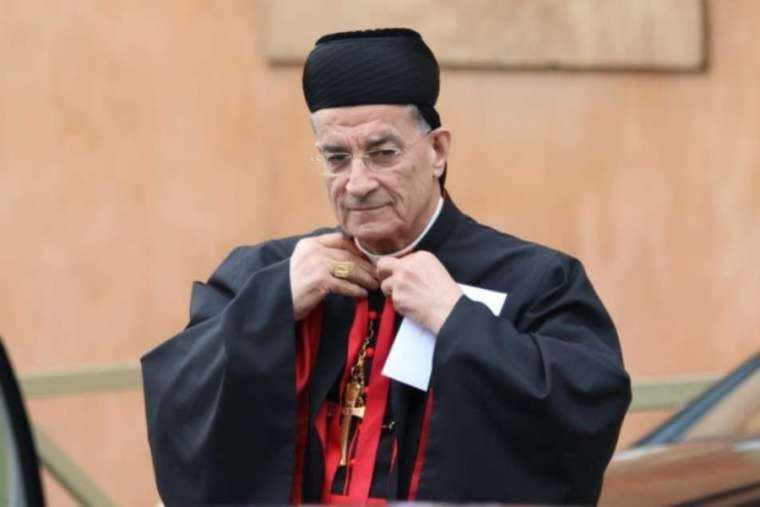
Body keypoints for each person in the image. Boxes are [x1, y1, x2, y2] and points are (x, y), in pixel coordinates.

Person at [142, 28, 631, 505]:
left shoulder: (536, 280)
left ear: (437, 151)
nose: (357, 183)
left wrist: (458, 319)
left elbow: (587, 409)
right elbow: (176, 401)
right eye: (336, 157)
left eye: (382, 153)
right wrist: (270, 307)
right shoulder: (264, 273)